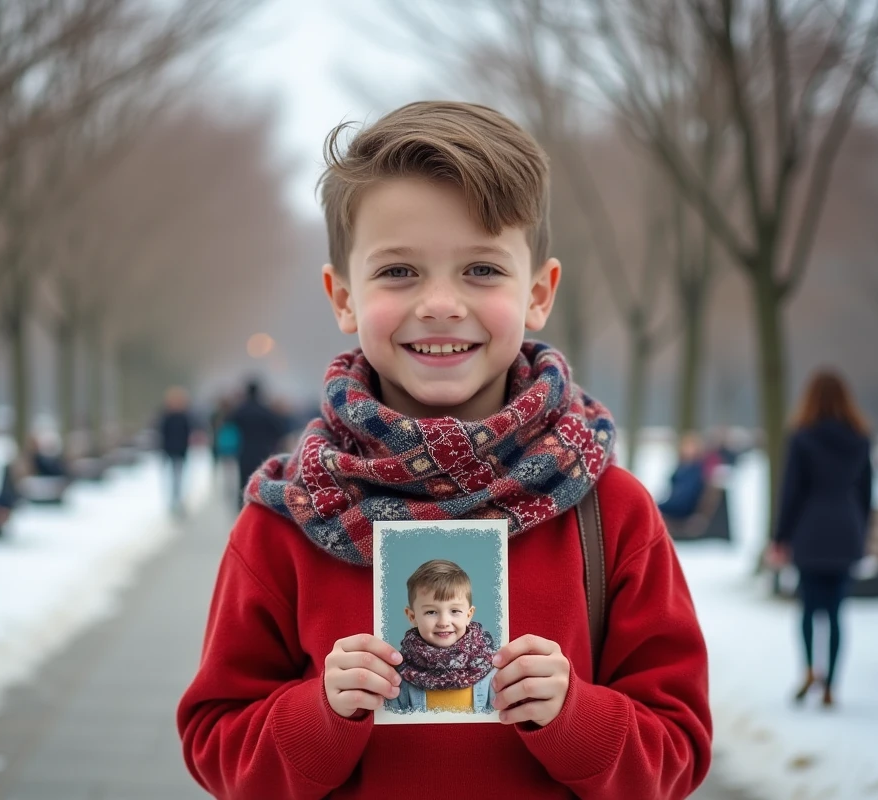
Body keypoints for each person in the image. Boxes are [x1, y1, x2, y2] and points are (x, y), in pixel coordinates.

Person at [177, 101, 710, 798]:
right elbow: (217, 746)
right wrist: (320, 713)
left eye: (482, 271)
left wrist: (576, 714)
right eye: (398, 271)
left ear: (538, 293)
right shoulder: (289, 517)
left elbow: (678, 753)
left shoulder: (609, 511)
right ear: (342, 297)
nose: (439, 303)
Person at [767, 370, 873, 709]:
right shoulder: (860, 438)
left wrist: (780, 536)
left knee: (809, 609)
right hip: (846, 531)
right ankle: (832, 685)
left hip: (810, 532)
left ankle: (810, 669)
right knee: (837, 611)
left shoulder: (803, 437)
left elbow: (791, 493)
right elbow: (868, 493)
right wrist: (862, 531)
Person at [383, 560, 498, 715]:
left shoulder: (491, 668)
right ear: (412, 616)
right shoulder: (398, 676)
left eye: (455, 611)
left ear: (469, 615)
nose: (444, 622)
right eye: (431, 612)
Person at [226, 379, 287, 510]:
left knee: (243, 481)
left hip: (244, 451)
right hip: (263, 452)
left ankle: (242, 508)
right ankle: (258, 508)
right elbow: (280, 430)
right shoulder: (265, 410)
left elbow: (228, 422)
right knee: (260, 481)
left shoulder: (241, 410)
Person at [157, 386, 195, 517]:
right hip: (173, 451)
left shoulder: (177, 417)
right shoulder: (172, 417)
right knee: (176, 478)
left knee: (178, 478)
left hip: (178, 451)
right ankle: (176, 501)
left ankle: (177, 501)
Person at [658, 432, 709, 521]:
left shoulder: (696, 470)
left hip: (683, 507)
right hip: (675, 503)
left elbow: (687, 495)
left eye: (690, 447)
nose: (686, 449)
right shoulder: (682, 466)